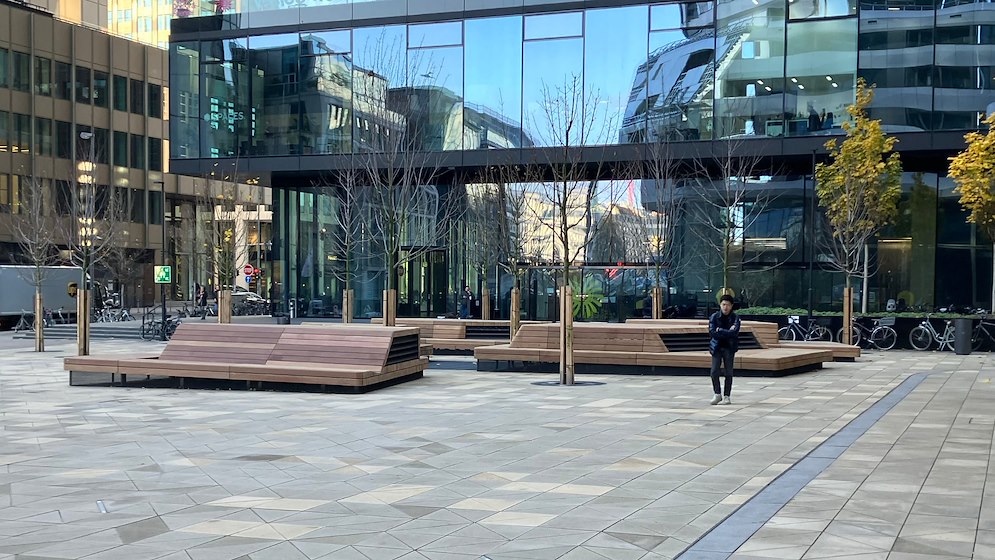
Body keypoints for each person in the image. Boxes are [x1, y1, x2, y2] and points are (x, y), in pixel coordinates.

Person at [708, 294, 741, 405]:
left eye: (727, 305)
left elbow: (734, 333)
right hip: (716, 347)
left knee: (728, 372)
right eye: (723, 304)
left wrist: (720, 330)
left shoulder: (735, 318)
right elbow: (712, 332)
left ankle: (727, 396)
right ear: (720, 305)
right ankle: (717, 394)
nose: (725, 307)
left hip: (729, 347)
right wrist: (727, 332)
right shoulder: (714, 317)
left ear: (731, 306)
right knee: (714, 371)